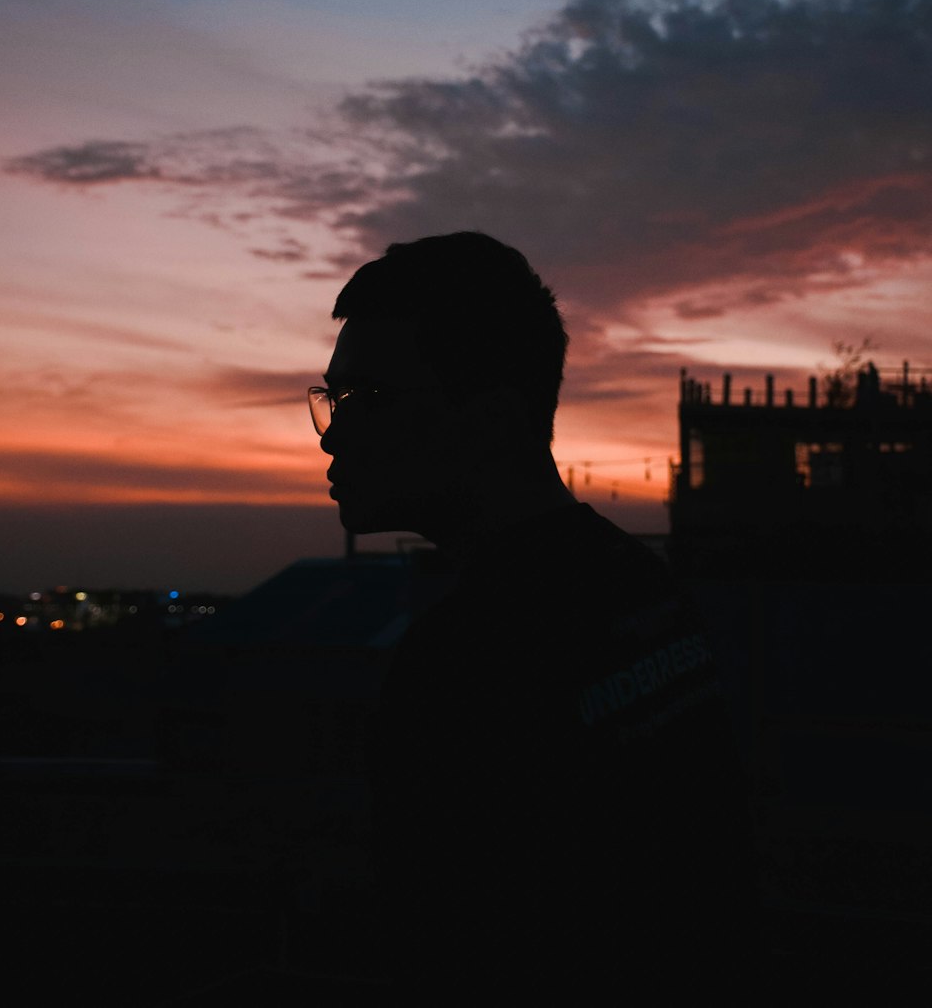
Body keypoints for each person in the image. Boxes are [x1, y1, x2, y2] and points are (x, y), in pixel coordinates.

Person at [310, 231, 757, 999]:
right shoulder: (638, 585)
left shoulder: (464, 665)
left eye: (371, 399)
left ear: (488, 420)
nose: (336, 433)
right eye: (333, 399)